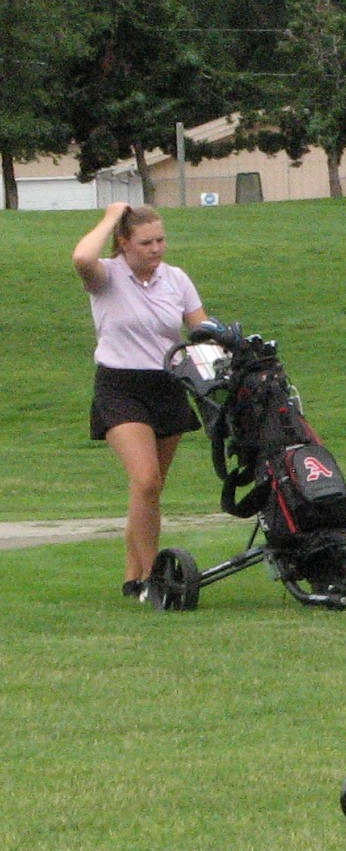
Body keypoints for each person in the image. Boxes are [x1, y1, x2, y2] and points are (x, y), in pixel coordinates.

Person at [73, 202, 212, 601]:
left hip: (168, 384)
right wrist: (108, 216)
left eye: (161, 240)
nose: (157, 249)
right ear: (123, 243)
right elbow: (83, 255)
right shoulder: (107, 276)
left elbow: (200, 328)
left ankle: (133, 577)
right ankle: (155, 578)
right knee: (145, 479)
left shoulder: (176, 279)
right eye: (146, 242)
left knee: (149, 490)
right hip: (120, 387)